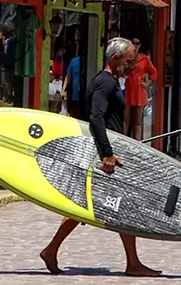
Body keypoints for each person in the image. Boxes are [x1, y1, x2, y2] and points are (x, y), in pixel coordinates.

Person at [40, 38, 161, 278]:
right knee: (112, 206)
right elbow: (96, 118)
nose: (131, 65)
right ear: (114, 59)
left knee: (99, 205)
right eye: (128, 61)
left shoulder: (109, 81)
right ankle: (131, 263)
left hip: (111, 151)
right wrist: (106, 154)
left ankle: (53, 250)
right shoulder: (105, 83)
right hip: (105, 156)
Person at [124, 38, 157, 140]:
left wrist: (147, 83)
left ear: (140, 45)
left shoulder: (144, 59)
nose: (134, 45)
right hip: (127, 89)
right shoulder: (126, 57)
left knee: (137, 120)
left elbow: (154, 72)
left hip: (139, 91)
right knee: (125, 119)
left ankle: (138, 141)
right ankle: (123, 140)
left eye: (137, 43)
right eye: (132, 43)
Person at [61, 50, 83, 120]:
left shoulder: (74, 60)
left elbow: (68, 76)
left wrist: (64, 90)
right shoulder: (76, 61)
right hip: (76, 94)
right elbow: (68, 76)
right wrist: (64, 90)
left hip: (76, 94)